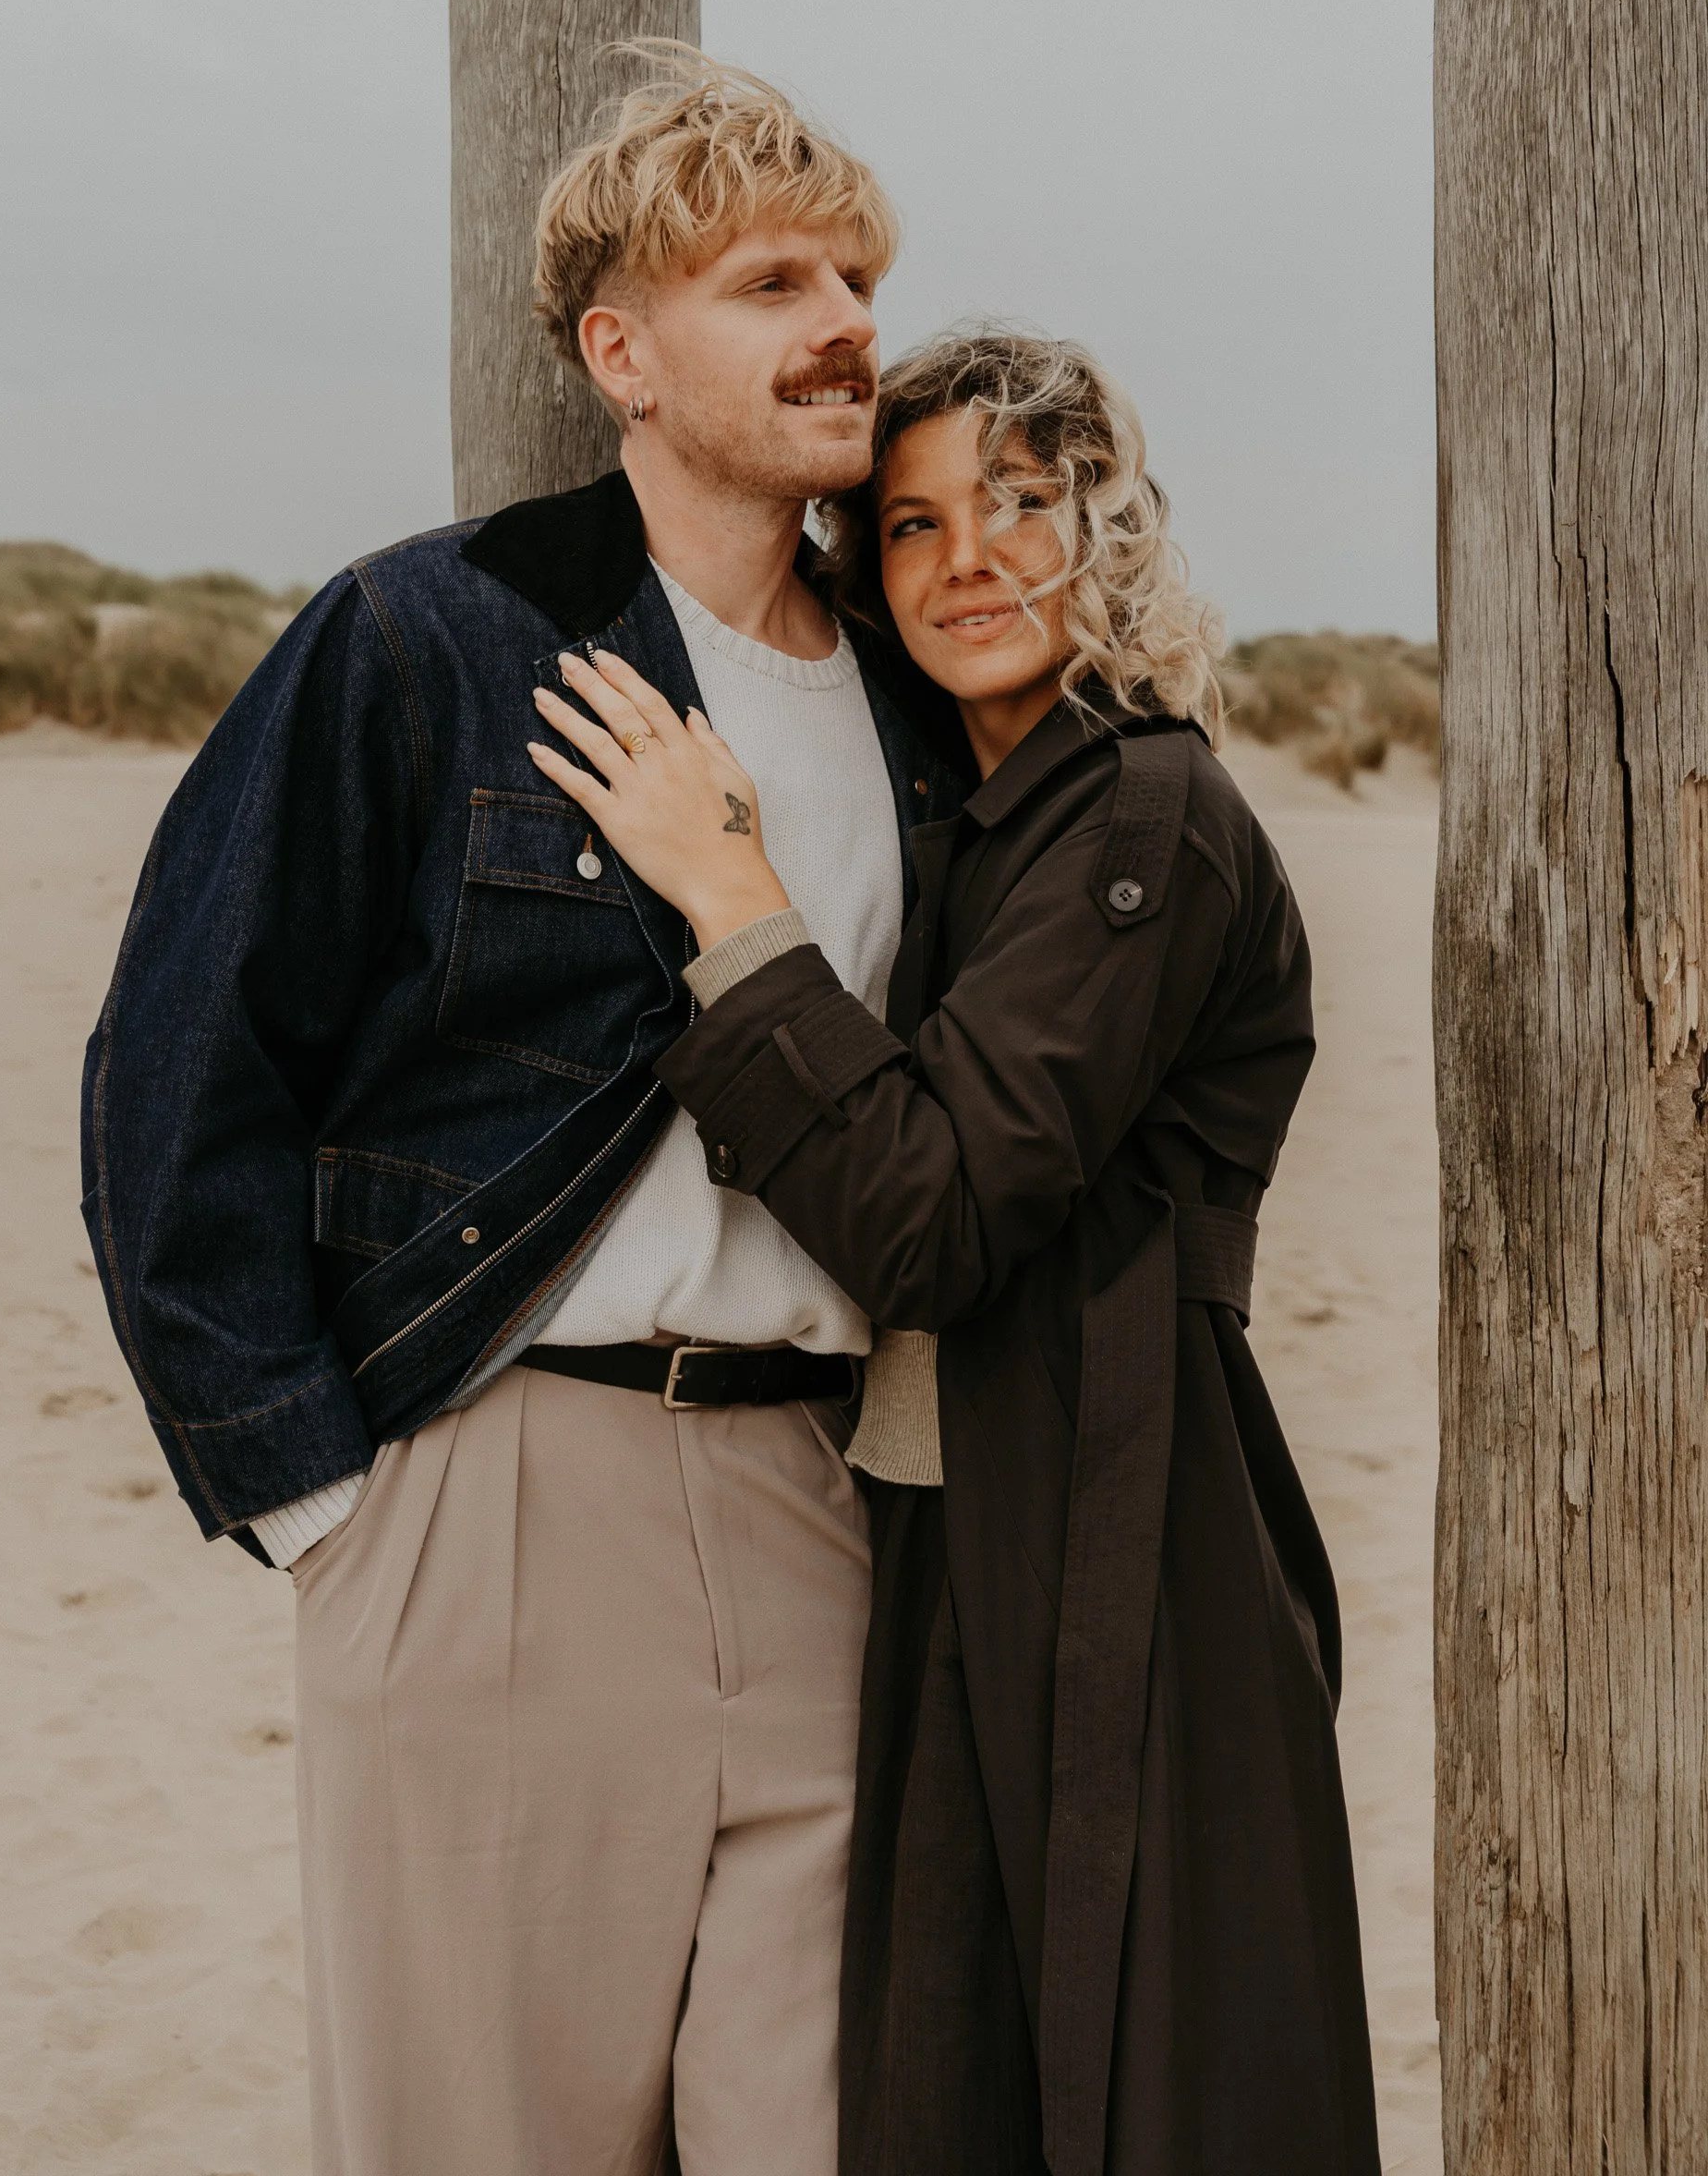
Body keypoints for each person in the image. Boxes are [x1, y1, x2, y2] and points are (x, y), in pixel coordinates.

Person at [79, 51, 972, 2176]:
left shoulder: (920, 708)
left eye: (856, 272)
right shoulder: (432, 636)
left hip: (827, 1507)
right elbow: (180, 1072)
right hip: (493, 1505)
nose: (842, 318)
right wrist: (326, 1516)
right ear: (622, 354)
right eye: (769, 280)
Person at [527, 327, 1384, 2176]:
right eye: (909, 524)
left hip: (1122, 1546)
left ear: (1107, 523)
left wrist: (733, 902)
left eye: (1019, 500)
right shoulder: (986, 831)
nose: (967, 557)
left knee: (1137, 2094)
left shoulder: (1141, 809)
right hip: (951, 1528)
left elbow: (926, 1214)